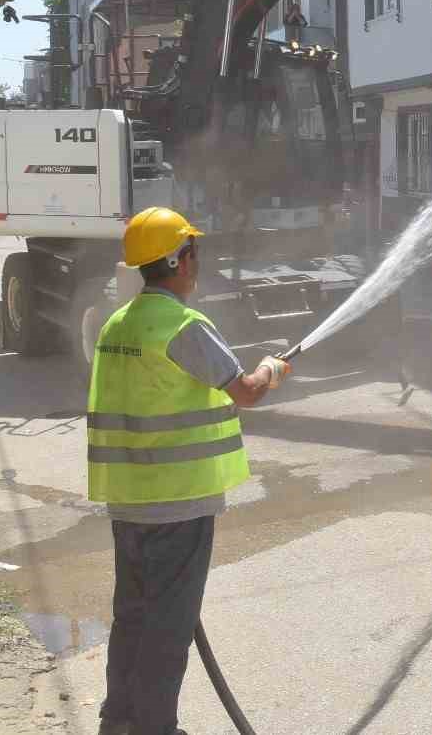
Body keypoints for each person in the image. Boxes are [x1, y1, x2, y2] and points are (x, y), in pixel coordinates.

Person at [87, 206, 292, 735]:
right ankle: (155, 727)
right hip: (178, 502)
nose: (198, 263)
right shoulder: (182, 324)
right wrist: (271, 369)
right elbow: (243, 390)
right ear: (178, 260)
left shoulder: (117, 324)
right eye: (194, 252)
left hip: (128, 499)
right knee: (168, 626)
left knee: (132, 616)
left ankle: (120, 721)